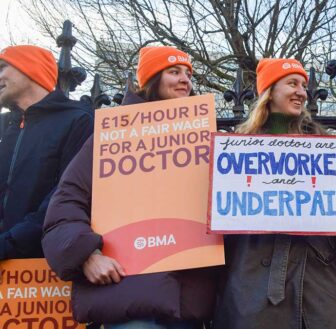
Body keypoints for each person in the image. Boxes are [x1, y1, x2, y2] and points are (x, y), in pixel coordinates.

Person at [42, 46, 217, 328]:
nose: (185, 79)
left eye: (188, 73)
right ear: (149, 80)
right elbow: (65, 204)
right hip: (129, 301)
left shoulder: (203, 138)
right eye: (174, 72)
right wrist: (87, 255)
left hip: (192, 305)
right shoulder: (112, 136)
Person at [213, 58, 336, 329]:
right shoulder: (236, 147)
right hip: (253, 277)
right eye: (292, 83)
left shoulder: (325, 146)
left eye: (304, 86)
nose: (302, 92)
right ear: (269, 91)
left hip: (318, 277)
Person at [0, 45, 93, 260]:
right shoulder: (5, 127)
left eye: (3, 67)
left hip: (43, 267)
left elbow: (67, 195)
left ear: (29, 68)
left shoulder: (79, 120)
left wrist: (9, 242)